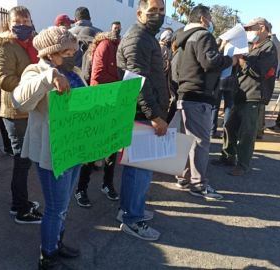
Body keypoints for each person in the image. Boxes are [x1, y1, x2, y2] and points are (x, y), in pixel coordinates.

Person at [12, 26, 82, 270]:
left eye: (75, 49)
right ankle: (48, 256)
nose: (74, 54)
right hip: (52, 151)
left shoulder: (74, 72)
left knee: (63, 205)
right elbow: (20, 100)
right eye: (67, 50)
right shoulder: (35, 70)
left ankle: (57, 242)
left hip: (75, 147)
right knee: (55, 206)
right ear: (52, 53)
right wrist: (48, 76)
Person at [0, 6, 42, 224]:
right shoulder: (4, 46)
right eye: (18, 21)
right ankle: (21, 209)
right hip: (16, 111)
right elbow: (4, 79)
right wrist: (37, 86)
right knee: (22, 161)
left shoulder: (31, 44)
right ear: (9, 23)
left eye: (26, 20)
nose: (23, 25)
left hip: (31, 108)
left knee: (26, 161)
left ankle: (19, 202)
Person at [116, 0, 169, 241]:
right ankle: (132, 219)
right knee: (139, 171)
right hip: (141, 115)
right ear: (139, 13)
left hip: (143, 114)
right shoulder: (137, 38)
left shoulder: (146, 36)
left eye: (161, 11)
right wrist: (155, 116)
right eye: (152, 11)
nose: (158, 15)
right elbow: (137, 82)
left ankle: (129, 210)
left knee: (138, 170)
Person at [173, 5, 234, 199]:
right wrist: (230, 61)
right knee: (200, 142)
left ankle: (183, 177)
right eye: (209, 18)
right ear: (202, 19)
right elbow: (210, 63)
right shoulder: (202, 36)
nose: (210, 22)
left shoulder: (183, 37)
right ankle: (198, 185)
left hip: (184, 93)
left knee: (185, 139)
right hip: (198, 95)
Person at [216, 17, 277, 176]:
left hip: (254, 95)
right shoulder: (253, 45)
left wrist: (242, 58)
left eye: (251, 28)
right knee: (229, 126)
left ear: (262, 28)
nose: (248, 32)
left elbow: (259, 71)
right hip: (241, 92)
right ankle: (228, 157)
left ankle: (242, 165)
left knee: (247, 132)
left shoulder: (269, 47)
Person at [74, 30, 121, 208]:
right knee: (93, 149)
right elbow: (98, 76)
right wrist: (122, 82)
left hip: (110, 103)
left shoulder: (113, 46)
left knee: (112, 146)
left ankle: (106, 184)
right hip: (101, 103)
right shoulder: (107, 46)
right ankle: (81, 189)